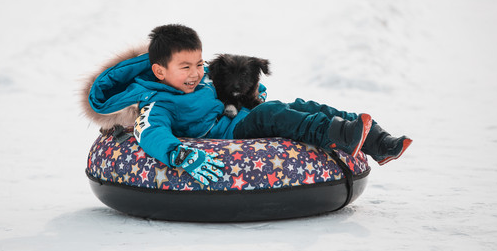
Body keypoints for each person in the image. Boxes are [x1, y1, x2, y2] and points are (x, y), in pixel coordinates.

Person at [87, 24, 412, 185]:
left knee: (299, 104)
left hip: (240, 116)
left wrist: (249, 90)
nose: (197, 73)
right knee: (273, 115)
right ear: (159, 71)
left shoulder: (202, 81)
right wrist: (178, 154)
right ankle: (340, 134)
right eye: (185, 68)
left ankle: (377, 141)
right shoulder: (156, 103)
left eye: (199, 64)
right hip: (227, 134)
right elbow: (150, 133)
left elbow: (231, 84)